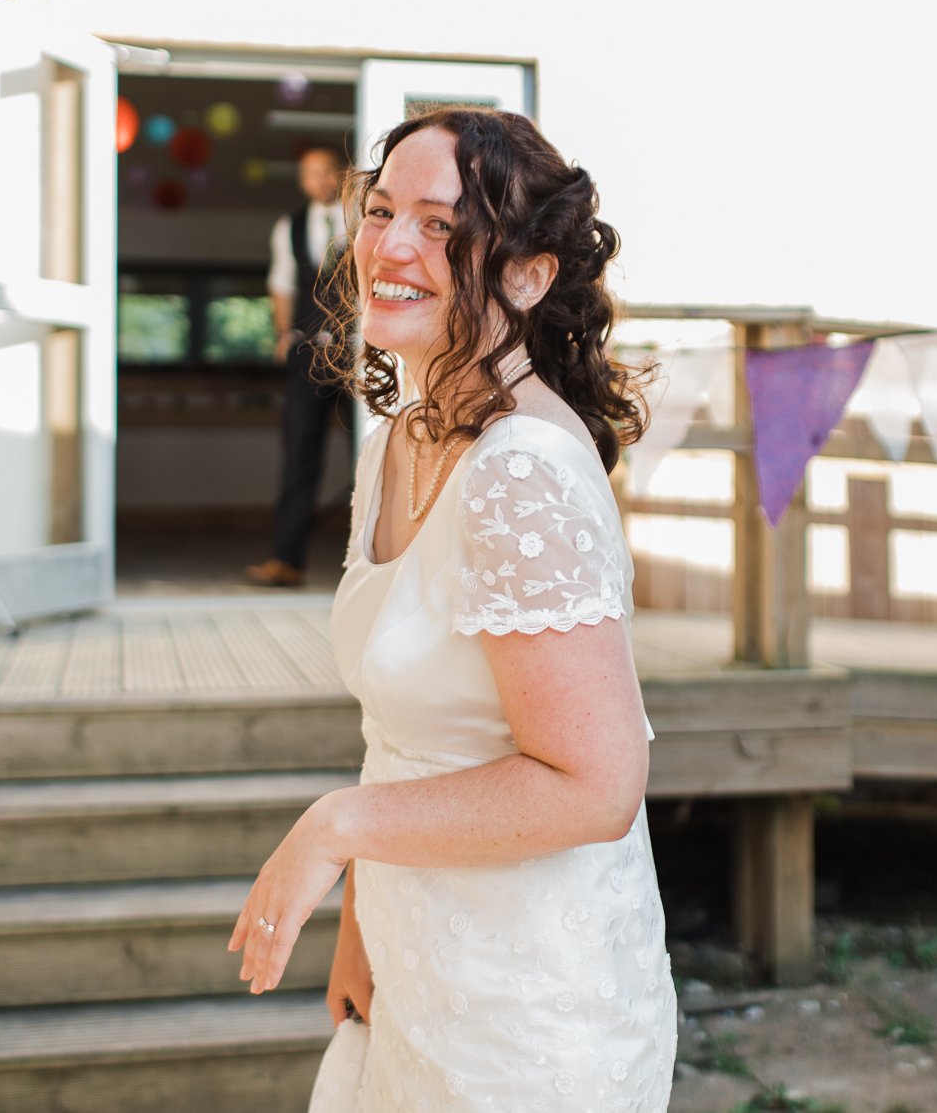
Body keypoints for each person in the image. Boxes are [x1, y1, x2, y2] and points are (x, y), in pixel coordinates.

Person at [226, 108, 675, 1112]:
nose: (387, 244)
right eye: (381, 210)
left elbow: (595, 786)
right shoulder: (401, 435)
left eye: (439, 225)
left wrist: (335, 828)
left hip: (528, 1016)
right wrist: (363, 926)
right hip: (416, 965)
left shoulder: (519, 471)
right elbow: (408, 730)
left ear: (526, 273)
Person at [246, 144, 350, 588]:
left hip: (358, 352)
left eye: (325, 171)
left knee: (370, 452)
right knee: (298, 456)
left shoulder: (365, 219)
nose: (317, 181)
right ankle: (286, 560)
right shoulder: (288, 226)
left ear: (342, 174)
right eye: (308, 174)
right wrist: (283, 332)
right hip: (308, 353)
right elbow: (282, 282)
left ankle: (384, 563)